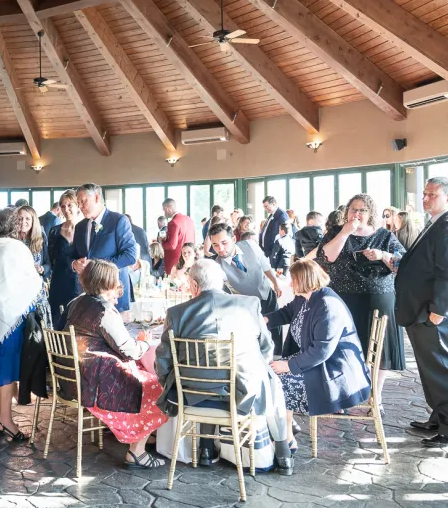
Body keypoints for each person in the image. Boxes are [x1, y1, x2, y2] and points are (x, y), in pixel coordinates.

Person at [155, 260, 293, 474]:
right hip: (241, 394)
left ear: (193, 285)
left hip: (192, 394)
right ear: (221, 282)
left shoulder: (176, 313)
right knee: (270, 380)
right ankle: (284, 454)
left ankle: (206, 450)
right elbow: (266, 347)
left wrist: (170, 386)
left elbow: (163, 361)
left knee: (210, 376)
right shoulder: (249, 304)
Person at [64, 260, 167, 469]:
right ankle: (137, 450)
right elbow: (128, 350)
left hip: (73, 377)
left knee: (142, 375)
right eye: (115, 280)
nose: (118, 284)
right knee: (157, 385)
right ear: (106, 283)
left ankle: (141, 432)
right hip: (95, 384)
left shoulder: (77, 302)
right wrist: (144, 342)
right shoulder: (105, 311)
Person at [395, 177, 448, 449]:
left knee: (444, 370)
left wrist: (438, 313)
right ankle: (440, 417)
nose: (425, 198)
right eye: (425, 193)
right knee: (432, 371)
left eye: (432, 194)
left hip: (437, 316)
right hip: (423, 312)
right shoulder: (438, 223)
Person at [266, 260, 372, 454]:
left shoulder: (327, 305)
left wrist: (289, 365)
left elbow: (322, 351)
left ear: (306, 280)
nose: (290, 284)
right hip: (317, 362)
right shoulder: (305, 298)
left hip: (333, 371)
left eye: (294, 280)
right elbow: (286, 313)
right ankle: (286, 429)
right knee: (271, 374)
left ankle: (286, 440)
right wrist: (263, 319)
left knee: (279, 382)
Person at [317, 194, 406, 400]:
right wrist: (345, 233)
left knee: (379, 350)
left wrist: (383, 255)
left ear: (370, 213)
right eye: (352, 209)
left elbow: (403, 264)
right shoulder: (335, 232)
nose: (356, 214)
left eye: (362, 210)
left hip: (379, 298)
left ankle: (376, 396)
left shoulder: (384, 235)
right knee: (342, 348)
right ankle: (343, 394)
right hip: (343, 299)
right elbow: (326, 257)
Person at [0, 207, 44, 441]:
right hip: (11, 319)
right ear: (14, 226)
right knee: (6, 371)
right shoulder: (18, 248)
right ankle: (7, 420)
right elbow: (33, 284)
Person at [208, 223, 285, 354]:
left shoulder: (251, 245)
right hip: (246, 306)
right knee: (255, 340)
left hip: (267, 295)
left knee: (274, 333)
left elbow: (265, 266)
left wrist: (276, 283)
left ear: (233, 239)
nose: (220, 248)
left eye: (224, 242)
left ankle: (278, 363)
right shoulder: (217, 266)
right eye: (215, 245)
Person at [70, 184, 138, 314]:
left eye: (83, 201)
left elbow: (130, 255)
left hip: (112, 293)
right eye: (78, 203)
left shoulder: (118, 220)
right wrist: (74, 264)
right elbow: (73, 255)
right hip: (87, 297)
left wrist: (96, 266)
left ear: (96, 198)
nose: (80, 206)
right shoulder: (80, 227)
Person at [48, 191, 82, 329]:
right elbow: (52, 258)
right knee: (59, 320)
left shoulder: (86, 228)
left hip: (80, 282)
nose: (66, 209)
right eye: (63, 206)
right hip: (59, 280)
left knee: (79, 320)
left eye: (70, 205)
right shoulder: (55, 231)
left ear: (78, 206)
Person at [17, 205, 51, 282]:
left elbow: (48, 263)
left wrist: (42, 269)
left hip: (37, 286)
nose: (23, 222)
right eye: (20, 219)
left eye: (27, 219)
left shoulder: (41, 237)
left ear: (33, 221)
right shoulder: (12, 239)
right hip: (18, 285)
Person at [160, 199, 195, 274]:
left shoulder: (173, 222)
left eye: (164, 210)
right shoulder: (189, 220)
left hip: (175, 261)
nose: (164, 213)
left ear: (167, 208)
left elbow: (172, 245)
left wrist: (162, 241)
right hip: (189, 258)